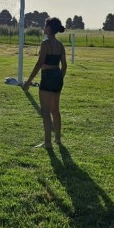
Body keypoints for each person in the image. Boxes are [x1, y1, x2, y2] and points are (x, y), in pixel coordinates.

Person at [23, 17, 67, 148]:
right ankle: (58, 139)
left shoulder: (45, 43)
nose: (43, 28)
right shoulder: (60, 45)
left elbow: (39, 63)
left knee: (46, 112)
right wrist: (60, 78)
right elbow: (64, 66)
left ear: (48, 28)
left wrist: (28, 81)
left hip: (47, 77)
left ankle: (47, 143)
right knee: (55, 111)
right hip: (58, 77)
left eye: (45, 25)